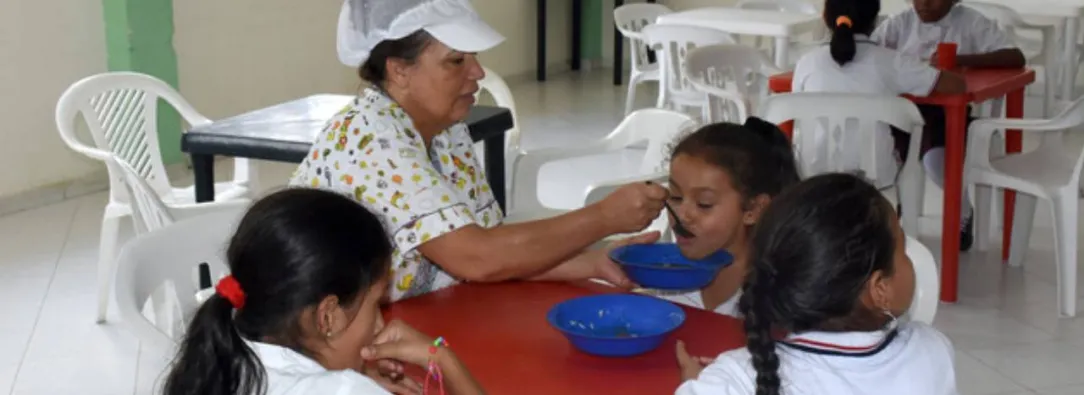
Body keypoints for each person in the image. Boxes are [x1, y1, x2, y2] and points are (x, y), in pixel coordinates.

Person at [291, 0, 669, 302]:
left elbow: (492, 248)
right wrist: (604, 217)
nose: (478, 72)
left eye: (473, 57)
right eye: (457, 61)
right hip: (322, 343)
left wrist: (592, 262)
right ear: (399, 71)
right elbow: (478, 256)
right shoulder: (372, 140)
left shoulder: (446, 130)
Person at [163, 188, 485, 395]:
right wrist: (442, 359)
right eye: (375, 305)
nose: (379, 325)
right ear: (328, 316)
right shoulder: (345, 390)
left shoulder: (221, 360)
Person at [674, 173, 958, 395]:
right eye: (903, 250)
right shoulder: (931, 351)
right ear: (879, 288)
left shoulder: (737, 378)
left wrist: (705, 384)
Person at [874, 0, 1026, 251]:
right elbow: (873, 51)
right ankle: (897, 219)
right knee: (888, 158)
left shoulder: (971, 22)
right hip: (906, 114)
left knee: (936, 161)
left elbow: (1015, 56)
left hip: (951, 115)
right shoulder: (900, 23)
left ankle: (962, 211)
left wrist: (962, 59)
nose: (923, 3)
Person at [791, 0, 965, 194]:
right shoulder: (891, 61)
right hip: (875, 175)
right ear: (875, 20)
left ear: (825, 17)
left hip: (812, 172)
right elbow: (956, 85)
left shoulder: (806, 63)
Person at [648, 118, 799, 317]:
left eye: (704, 204)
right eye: (676, 197)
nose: (681, 215)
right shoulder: (668, 274)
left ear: (752, 209)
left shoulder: (776, 296)